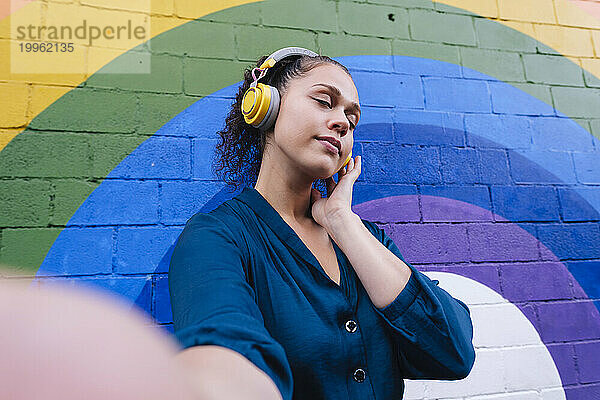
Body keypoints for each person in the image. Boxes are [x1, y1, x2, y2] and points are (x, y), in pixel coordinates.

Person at [169, 47, 476, 400]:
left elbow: (453, 353)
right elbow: (226, 365)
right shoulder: (217, 239)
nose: (343, 122)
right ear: (265, 105)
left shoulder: (364, 240)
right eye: (323, 101)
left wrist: (343, 222)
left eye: (351, 118)